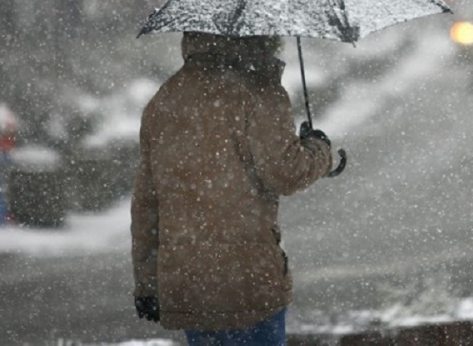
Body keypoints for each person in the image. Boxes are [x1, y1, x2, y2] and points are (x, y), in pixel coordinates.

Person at [131, 31, 334, 345]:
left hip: (189, 282)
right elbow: (286, 172)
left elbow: (147, 203)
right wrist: (319, 149)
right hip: (248, 280)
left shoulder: (167, 97)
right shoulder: (259, 91)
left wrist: (147, 283)